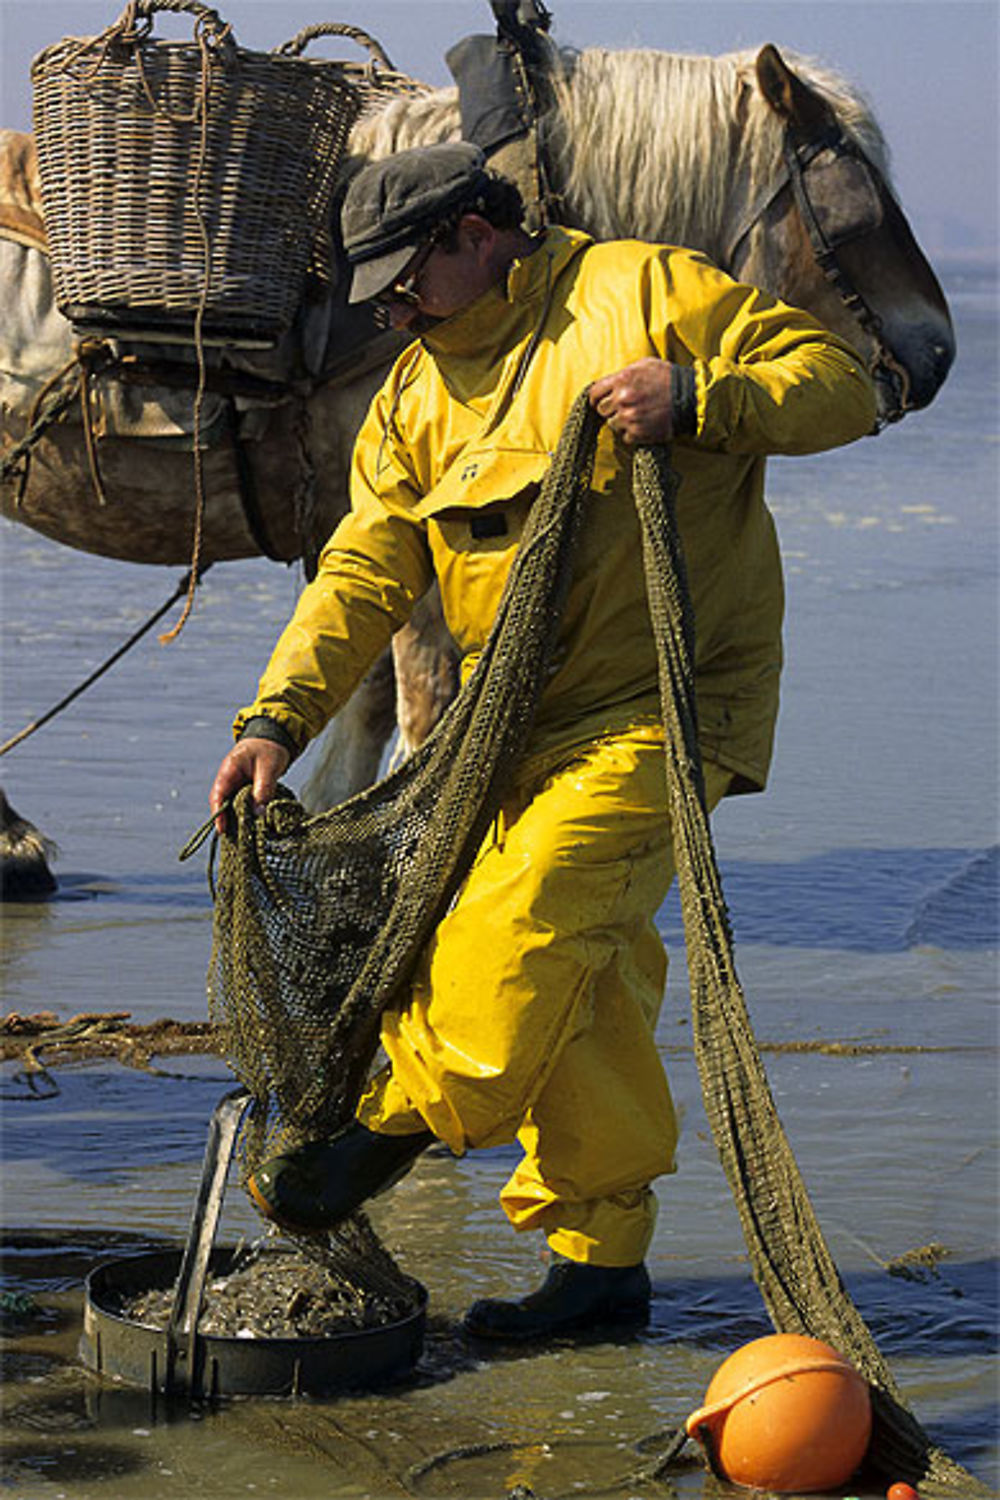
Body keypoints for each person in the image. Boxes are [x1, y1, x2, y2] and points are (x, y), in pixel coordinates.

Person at [209, 142, 876, 1342]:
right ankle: (599, 1271)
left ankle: (379, 1132)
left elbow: (844, 384)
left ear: (476, 232)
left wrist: (703, 401)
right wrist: (276, 720)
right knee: (589, 985)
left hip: (669, 709)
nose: (396, 310)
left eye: (407, 282)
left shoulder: (644, 291)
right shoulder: (416, 392)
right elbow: (365, 565)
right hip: (512, 724)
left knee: (515, 934)